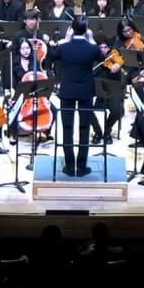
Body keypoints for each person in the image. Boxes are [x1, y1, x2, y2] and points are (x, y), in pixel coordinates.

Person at [49, 17, 105, 176]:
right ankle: (81, 167)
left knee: (67, 128)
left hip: (67, 91)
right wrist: (92, 39)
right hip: (86, 92)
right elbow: (102, 58)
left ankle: (69, 166)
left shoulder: (64, 47)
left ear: (72, 30)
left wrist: (65, 40)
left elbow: (51, 56)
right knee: (84, 128)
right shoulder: (92, 48)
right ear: (86, 30)